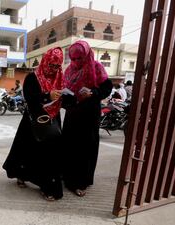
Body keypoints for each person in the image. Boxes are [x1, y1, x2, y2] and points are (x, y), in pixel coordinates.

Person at [2, 47, 65, 201]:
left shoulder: (60, 77)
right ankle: (21, 175)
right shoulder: (32, 77)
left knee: (49, 155)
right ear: (45, 62)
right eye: (52, 65)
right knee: (26, 149)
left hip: (52, 119)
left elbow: (64, 98)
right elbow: (30, 99)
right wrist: (47, 95)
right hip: (33, 119)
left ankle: (48, 186)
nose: (54, 69)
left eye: (57, 66)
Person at [62, 40, 113, 197]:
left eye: (80, 58)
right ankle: (67, 177)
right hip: (72, 114)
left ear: (86, 55)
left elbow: (107, 88)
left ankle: (81, 182)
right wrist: (66, 99)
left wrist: (93, 93)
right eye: (74, 59)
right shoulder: (69, 71)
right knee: (69, 146)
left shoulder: (96, 67)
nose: (76, 62)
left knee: (85, 148)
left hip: (89, 115)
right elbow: (65, 92)